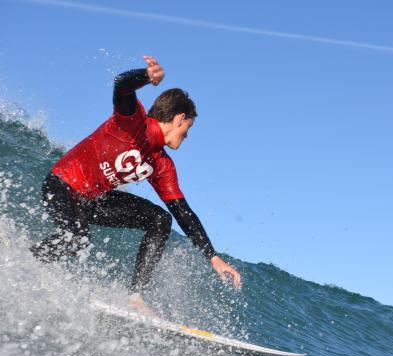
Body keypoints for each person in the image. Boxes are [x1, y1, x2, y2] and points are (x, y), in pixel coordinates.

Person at [31, 55, 242, 315]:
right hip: (61, 186)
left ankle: (135, 297)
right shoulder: (133, 122)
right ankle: (28, 262)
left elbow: (183, 212)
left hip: (92, 200)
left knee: (160, 219)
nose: (186, 136)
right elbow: (122, 84)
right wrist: (146, 76)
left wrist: (213, 257)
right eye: (186, 129)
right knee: (77, 239)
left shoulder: (161, 164)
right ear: (179, 118)